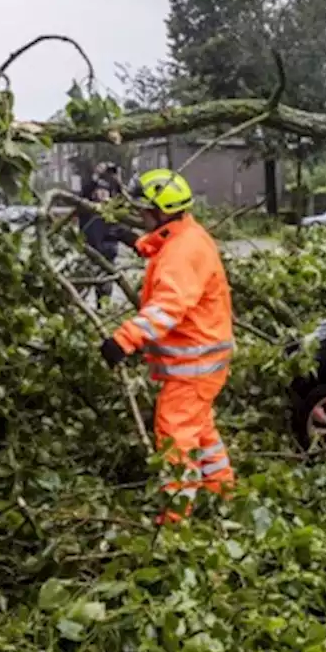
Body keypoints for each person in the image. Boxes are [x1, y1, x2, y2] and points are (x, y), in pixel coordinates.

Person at [98, 168, 237, 524]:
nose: (141, 215)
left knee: (175, 438)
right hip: (206, 359)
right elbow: (166, 247)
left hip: (192, 365)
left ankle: (176, 518)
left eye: (145, 210)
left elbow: (167, 307)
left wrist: (122, 341)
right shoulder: (186, 235)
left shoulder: (181, 252)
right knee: (201, 430)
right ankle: (223, 491)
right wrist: (135, 241)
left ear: (160, 211)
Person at [76, 162, 126, 306]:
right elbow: (83, 193)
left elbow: (124, 199)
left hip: (107, 255)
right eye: (99, 191)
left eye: (106, 191)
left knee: (104, 291)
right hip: (89, 252)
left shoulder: (113, 211)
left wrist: (118, 180)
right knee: (81, 288)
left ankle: (102, 310)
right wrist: (96, 176)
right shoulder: (87, 209)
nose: (103, 194)